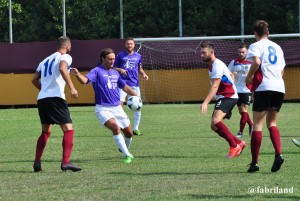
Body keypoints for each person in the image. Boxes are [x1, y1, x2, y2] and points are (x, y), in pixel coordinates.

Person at [71, 48, 137, 164]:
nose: (112, 61)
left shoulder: (115, 72)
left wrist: (137, 96)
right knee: (115, 127)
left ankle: (123, 148)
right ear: (103, 59)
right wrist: (77, 74)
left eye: (113, 59)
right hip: (102, 108)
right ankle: (128, 155)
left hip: (117, 108)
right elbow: (85, 81)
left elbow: (125, 87)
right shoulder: (96, 71)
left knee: (129, 133)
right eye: (109, 59)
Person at [31, 36, 81, 172]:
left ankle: (37, 162)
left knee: (46, 131)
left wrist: (44, 90)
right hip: (56, 98)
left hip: (42, 99)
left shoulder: (45, 60)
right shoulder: (65, 57)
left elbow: (34, 79)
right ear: (68, 47)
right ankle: (65, 162)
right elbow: (63, 69)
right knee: (68, 130)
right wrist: (72, 87)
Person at [245, 20, 285, 173]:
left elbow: (256, 61)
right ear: (268, 32)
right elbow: (282, 70)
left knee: (257, 125)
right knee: (272, 123)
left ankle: (254, 163)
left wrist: (249, 76)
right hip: (279, 87)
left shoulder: (255, 46)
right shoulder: (278, 47)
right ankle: (278, 154)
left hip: (264, 87)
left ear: (255, 33)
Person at [200, 41, 246, 158]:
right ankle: (239, 142)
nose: (202, 55)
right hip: (224, 96)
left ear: (212, 52)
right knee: (214, 126)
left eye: (204, 53)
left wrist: (205, 102)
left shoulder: (217, 65)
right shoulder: (213, 65)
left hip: (228, 96)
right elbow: (230, 74)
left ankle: (234, 146)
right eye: (201, 53)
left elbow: (215, 86)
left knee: (216, 120)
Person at [114, 37, 149, 136]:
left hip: (134, 84)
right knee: (119, 105)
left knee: (138, 106)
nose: (129, 45)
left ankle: (136, 129)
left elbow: (139, 68)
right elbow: (114, 67)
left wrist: (144, 74)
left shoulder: (138, 56)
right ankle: (120, 126)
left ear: (134, 45)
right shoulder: (120, 55)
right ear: (125, 45)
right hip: (122, 83)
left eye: (131, 44)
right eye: (128, 44)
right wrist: (120, 70)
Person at [228, 44, 253, 138]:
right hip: (236, 90)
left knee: (244, 110)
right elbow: (227, 72)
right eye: (239, 52)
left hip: (247, 89)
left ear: (247, 52)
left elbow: (256, 74)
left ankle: (240, 132)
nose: (241, 54)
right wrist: (232, 74)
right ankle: (251, 125)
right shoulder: (234, 62)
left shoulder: (251, 62)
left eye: (243, 52)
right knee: (242, 112)